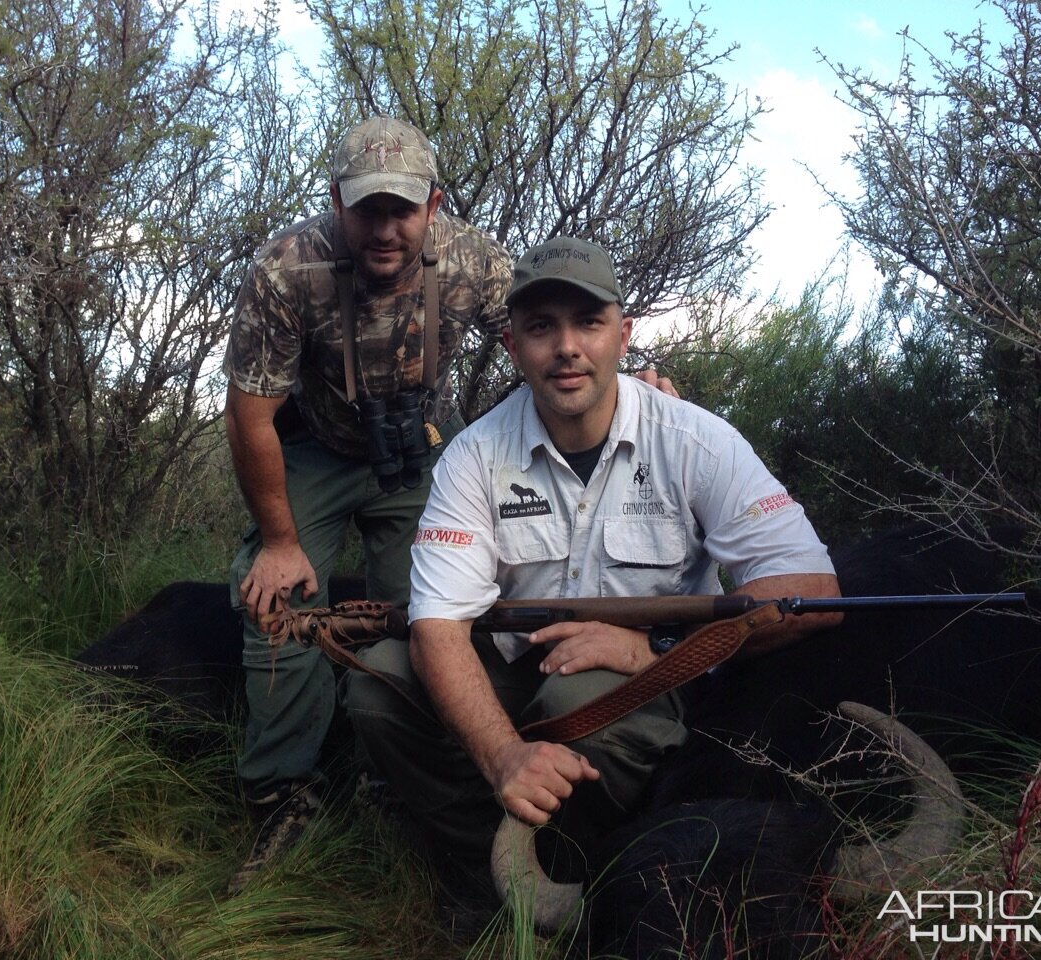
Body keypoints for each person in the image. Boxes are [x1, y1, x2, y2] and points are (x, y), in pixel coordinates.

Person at [344, 237, 843, 927]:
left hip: (648, 675)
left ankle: (585, 875)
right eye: (542, 327)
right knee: (377, 682)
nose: (567, 347)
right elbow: (437, 626)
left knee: (581, 694)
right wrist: (503, 755)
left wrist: (655, 649)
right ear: (514, 346)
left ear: (624, 335)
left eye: (588, 323)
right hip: (517, 662)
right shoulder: (474, 456)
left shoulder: (698, 440)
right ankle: (480, 878)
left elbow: (812, 589)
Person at [221, 116, 511, 892]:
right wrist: (282, 543)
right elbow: (250, 416)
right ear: (335, 202)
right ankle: (282, 790)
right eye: (366, 209)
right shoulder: (287, 268)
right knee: (275, 598)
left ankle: (398, 771)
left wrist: (637, 374)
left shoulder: (472, 260)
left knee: (429, 610)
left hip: (411, 453)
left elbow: (546, 337)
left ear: (434, 206)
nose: (384, 229)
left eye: (403, 210)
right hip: (310, 446)